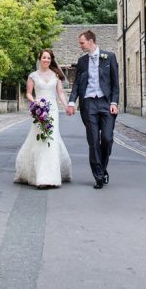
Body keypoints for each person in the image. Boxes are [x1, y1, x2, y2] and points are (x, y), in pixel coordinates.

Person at [67, 30, 119, 189]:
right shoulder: (82, 61)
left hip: (105, 103)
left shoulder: (109, 57)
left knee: (108, 138)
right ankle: (98, 176)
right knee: (93, 140)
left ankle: (102, 169)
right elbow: (76, 83)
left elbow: (115, 84)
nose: (80, 45)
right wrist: (71, 102)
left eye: (82, 42)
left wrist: (114, 103)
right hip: (88, 104)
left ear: (91, 41)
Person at [14, 49, 72, 188]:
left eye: (49, 58)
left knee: (51, 139)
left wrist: (66, 106)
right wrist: (35, 102)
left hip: (52, 111)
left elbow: (60, 93)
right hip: (39, 110)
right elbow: (28, 93)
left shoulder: (56, 75)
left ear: (51, 60)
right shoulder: (33, 76)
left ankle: (50, 176)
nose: (46, 60)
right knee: (40, 139)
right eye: (44, 58)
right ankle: (39, 175)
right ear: (40, 59)